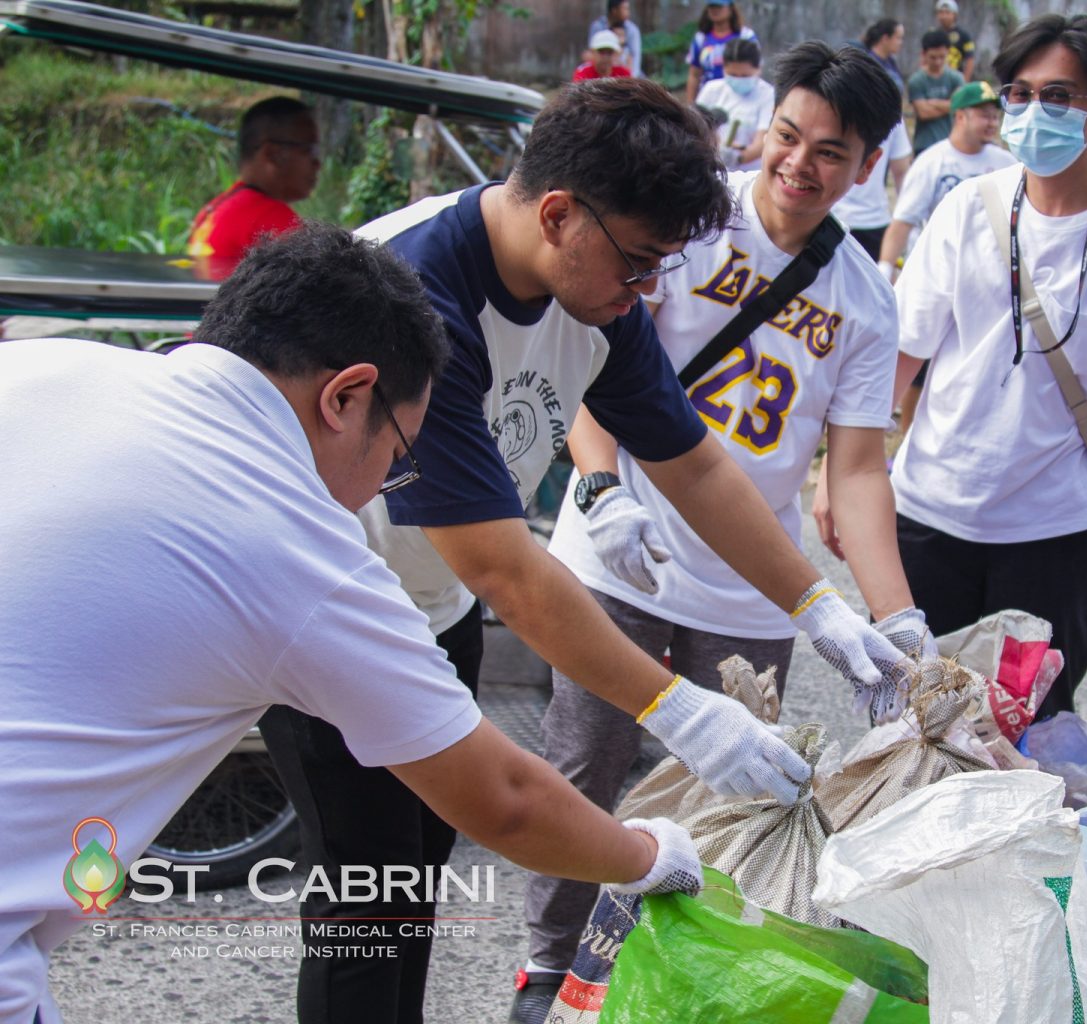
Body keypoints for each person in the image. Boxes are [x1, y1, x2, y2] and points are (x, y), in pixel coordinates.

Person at [261, 79, 910, 1024]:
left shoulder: (598, 299)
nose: (648, 292)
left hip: (431, 607)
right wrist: (683, 712)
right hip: (321, 606)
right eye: (641, 263)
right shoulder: (409, 297)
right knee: (365, 894)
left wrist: (823, 611)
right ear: (560, 214)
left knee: (414, 872)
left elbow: (692, 463)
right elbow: (505, 569)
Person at [0, 225, 705, 1024]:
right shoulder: (299, 551)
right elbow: (505, 800)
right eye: (402, 456)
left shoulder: (39, 365)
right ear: (345, 397)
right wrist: (653, 857)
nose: (392, 482)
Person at [520, 43, 919, 1024]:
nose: (800, 165)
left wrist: (896, 614)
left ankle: (669, 980)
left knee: (736, 796)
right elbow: (597, 350)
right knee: (586, 768)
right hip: (615, 553)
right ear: (764, 127)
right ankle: (544, 975)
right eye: (788, 136)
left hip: (752, 586)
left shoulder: (865, 300)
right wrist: (601, 488)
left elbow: (856, 468)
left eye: (832, 151)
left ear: (867, 167)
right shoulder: (689, 224)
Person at [816, 13, 1087, 721]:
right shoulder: (967, 210)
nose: (1033, 114)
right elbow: (900, 357)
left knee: (1031, 724)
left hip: (1051, 537)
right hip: (929, 516)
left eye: (1058, 96)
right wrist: (839, 475)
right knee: (916, 722)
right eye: (1020, 94)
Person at [878, 80, 1014, 438]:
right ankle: (908, 437)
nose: (991, 123)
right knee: (916, 361)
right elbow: (903, 221)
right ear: (960, 116)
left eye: (995, 116)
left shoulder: (1006, 164)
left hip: (990, 283)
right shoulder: (933, 162)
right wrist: (886, 269)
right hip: (937, 278)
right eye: (984, 115)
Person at [187, 96, 319, 263]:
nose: (318, 164)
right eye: (308, 149)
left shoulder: (213, 209)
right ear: (273, 154)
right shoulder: (269, 219)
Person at [833, 117, 913, 262]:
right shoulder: (888, 105)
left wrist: (907, 223)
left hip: (871, 220)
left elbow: (901, 172)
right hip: (834, 219)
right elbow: (901, 172)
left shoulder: (889, 108)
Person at [695, 37, 773, 172]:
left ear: (758, 69)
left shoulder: (767, 94)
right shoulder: (711, 90)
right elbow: (694, 128)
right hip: (711, 169)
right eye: (733, 74)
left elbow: (762, 141)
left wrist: (736, 158)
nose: (738, 79)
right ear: (724, 68)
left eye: (744, 75)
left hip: (749, 171)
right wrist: (717, 148)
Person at [685, 1, 756, 104]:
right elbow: (694, 75)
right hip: (708, 99)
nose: (715, 10)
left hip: (738, 99)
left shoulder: (745, 36)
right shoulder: (701, 38)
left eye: (719, 6)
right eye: (711, 6)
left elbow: (754, 69)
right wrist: (690, 105)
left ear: (731, 9)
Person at [907, 30, 965, 156]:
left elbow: (959, 105)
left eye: (942, 57)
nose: (938, 62)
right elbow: (923, 113)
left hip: (951, 141)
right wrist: (949, 104)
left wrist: (933, 103)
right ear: (923, 54)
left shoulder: (956, 78)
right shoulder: (916, 81)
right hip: (924, 144)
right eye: (933, 57)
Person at [589, 0, 641, 78]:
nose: (628, 13)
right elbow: (591, 53)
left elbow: (635, 58)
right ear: (614, 10)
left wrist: (632, 79)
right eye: (625, 9)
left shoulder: (632, 30)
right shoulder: (597, 26)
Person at [934, 0, 976, 81]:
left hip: (955, 80)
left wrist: (964, 82)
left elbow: (970, 60)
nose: (944, 16)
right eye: (941, 12)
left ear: (954, 15)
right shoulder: (932, 35)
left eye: (947, 12)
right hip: (936, 80)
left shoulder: (964, 36)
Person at [863, 18, 906, 91]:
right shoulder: (868, 63)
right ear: (885, 38)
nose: (901, 43)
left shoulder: (891, 61)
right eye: (898, 38)